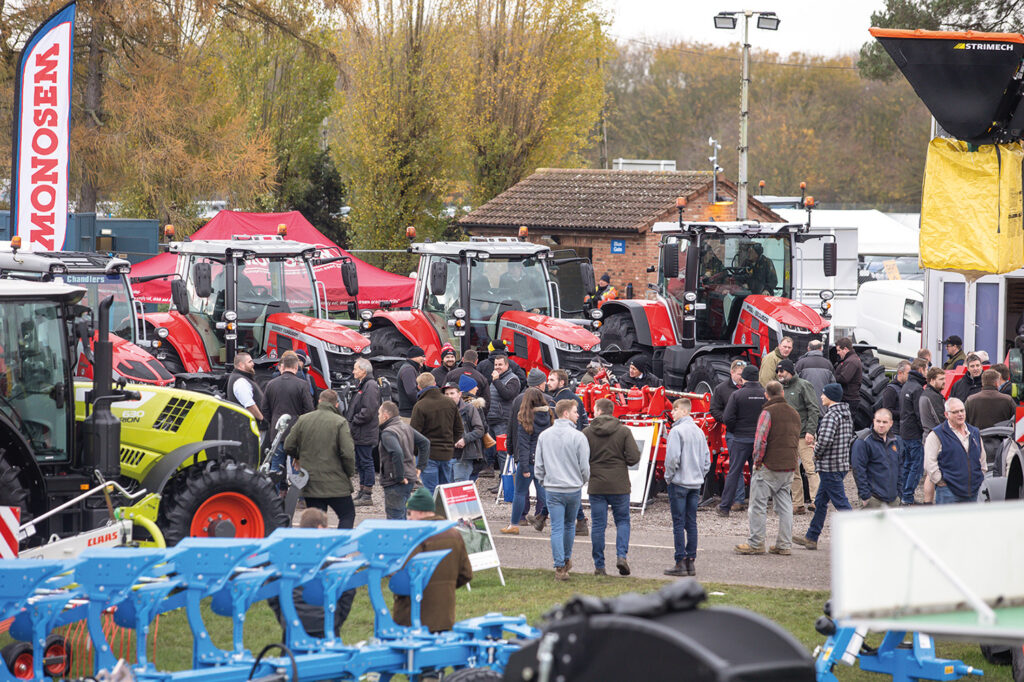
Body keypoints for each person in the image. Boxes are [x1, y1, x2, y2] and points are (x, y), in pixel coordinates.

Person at [392, 487, 473, 632]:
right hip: (444, 618)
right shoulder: (454, 534)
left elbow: (403, 580)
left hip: (411, 620)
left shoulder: (415, 537)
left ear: (420, 511)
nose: (408, 518)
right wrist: (443, 589)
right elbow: (466, 574)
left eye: (410, 513)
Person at [267, 507, 355, 638]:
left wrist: (284, 617)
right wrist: (337, 619)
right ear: (320, 528)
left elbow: (271, 589)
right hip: (326, 624)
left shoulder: (285, 559)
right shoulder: (331, 560)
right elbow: (348, 588)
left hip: (292, 623)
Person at [735, 381, 799, 556]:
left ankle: (756, 543)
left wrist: (757, 461)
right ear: (783, 393)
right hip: (789, 465)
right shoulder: (794, 413)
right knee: (785, 506)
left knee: (758, 506)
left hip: (769, 465)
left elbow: (760, 440)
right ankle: (784, 544)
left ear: (766, 395)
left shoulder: (768, 412)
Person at [793, 383, 854, 551]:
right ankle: (811, 538)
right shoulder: (846, 414)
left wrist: (816, 449)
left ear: (830, 397)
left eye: (824, 394)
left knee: (842, 504)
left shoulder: (830, 416)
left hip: (829, 466)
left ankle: (859, 535)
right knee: (820, 502)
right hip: (840, 464)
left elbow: (825, 440)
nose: (821, 396)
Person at [584, 397, 641, 576]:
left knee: (599, 525)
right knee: (623, 521)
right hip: (619, 483)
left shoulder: (587, 432)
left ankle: (599, 565)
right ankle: (621, 555)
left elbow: (582, 457)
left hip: (597, 483)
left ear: (599, 411)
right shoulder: (623, 431)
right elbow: (634, 457)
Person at [535, 399, 590, 581]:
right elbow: (584, 466)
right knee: (568, 526)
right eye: (575, 412)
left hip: (553, 487)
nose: (577, 415)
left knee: (557, 528)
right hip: (572, 488)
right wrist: (581, 481)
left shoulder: (544, 435)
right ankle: (565, 560)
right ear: (566, 413)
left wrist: (544, 481)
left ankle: (560, 565)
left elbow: (539, 464)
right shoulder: (578, 437)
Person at [285, 389, 357, 529]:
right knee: (347, 515)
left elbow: (288, 445)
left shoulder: (303, 419)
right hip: (336, 482)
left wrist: (298, 456)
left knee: (316, 519)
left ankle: (316, 549)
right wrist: (348, 473)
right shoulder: (340, 422)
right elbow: (348, 453)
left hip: (311, 481)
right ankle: (339, 549)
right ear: (336, 405)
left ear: (319, 401)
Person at [663, 398, 711, 577]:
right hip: (695, 483)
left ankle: (679, 561)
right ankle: (691, 561)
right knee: (691, 522)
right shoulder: (699, 431)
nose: (672, 413)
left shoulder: (676, 431)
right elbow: (707, 460)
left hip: (679, 482)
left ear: (683, 411)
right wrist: (700, 475)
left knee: (678, 523)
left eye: (674, 410)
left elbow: (673, 459)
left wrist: (669, 477)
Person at [502, 388, 552, 535]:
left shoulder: (525, 419)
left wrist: (523, 467)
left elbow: (524, 446)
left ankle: (514, 524)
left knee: (520, 493)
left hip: (529, 461)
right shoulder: (548, 416)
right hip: (543, 461)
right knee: (544, 494)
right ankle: (556, 521)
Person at [718, 364, 765, 517]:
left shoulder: (737, 395)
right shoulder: (765, 394)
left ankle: (725, 507)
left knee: (734, 472)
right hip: (758, 439)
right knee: (758, 473)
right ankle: (758, 508)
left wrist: (735, 429)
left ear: (743, 377)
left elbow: (727, 418)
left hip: (740, 438)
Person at [263, 351, 315, 483]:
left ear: (282, 366)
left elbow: (265, 411)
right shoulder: (302, 385)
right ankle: (300, 499)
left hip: (276, 432)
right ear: (296, 367)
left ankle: (276, 499)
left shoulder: (271, 384)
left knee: (275, 468)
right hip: (296, 433)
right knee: (298, 467)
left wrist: (273, 422)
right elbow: (309, 411)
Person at [776, 359, 820, 515]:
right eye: (778, 372)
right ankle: (798, 503)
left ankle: (817, 501)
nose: (780, 374)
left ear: (790, 371)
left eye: (782, 371)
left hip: (803, 435)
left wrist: (810, 431)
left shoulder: (803, 385)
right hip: (786, 437)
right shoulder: (779, 388)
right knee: (792, 471)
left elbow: (814, 409)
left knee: (810, 468)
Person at [923, 398, 985, 504]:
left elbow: (982, 458)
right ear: (947, 415)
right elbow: (929, 463)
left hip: (974, 491)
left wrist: (980, 476)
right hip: (948, 492)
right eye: (955, 412)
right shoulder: (937, 434)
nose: (960, 414)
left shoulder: (974, 432)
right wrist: (940, 481)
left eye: (962, 410)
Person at [411, 373, 464, 493]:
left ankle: (433, 512)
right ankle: (445, 512)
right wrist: (450, 444)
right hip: (446, 453)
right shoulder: (450, 403)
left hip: (427, 455)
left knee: (430, 491)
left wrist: (417, 453)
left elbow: (414, 434)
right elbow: (459, 429)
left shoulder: (420, 406)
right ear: (435, 384)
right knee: (445, 491)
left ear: (419, 387)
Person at [378, 401, 429, 519]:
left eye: (379, 414)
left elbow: (397, 452)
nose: (378, 417)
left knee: (395, 519)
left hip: (396, 482)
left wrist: (399, 477)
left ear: (385, 416)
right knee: (403, 515)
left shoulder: (388, 433)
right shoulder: (406, 427)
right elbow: (425, 443)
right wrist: (420, 467)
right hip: (409, 479)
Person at [708, 359, 747, 504]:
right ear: (731, 372)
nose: (741, 377)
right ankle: (738, 500)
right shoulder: (721, 389)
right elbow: (714, 409)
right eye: (739, 374)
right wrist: (726, 419)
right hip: (733, 432)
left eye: (744, 374)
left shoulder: (749, 388)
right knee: (737, 466)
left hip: (749, 432)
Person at [348, 357, 381, 507]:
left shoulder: (371, 386)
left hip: (365, 432)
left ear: (363, 370)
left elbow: (368, 411)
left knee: (366, 462)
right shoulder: (364, 385)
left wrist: (354, 420)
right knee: (361, 462)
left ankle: (367, 494)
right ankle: (362, 491)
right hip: (360, 432)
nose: (353, 371)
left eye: (355, 368)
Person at [851, 408, 901, 507]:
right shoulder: (863, 441)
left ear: (891, 423)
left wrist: (900, 493)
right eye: (878, 421)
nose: (881, 425)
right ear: (873, 421)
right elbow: (858, 470)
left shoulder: (896, 441)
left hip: (893, 499)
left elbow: (900, 468)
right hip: (873, 499)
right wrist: (865, 496)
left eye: (884, 422)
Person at [485, 354, 521, 475]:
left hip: (503, 420)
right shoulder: (497, 378)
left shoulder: (513, 379)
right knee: (495, 452)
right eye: (495, 365)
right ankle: (501, 481)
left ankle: (506, 482)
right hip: (493, 420)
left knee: (503, 453)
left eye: (500, 364)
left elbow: (507, 395)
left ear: (507, 365)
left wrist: (496, 381)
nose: (497, 367)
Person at [898, 359, 929, 506]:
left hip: (905, 431)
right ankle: (908, 497)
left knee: (907, 465)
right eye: (927, 369)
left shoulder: (906, 386)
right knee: (915, 466)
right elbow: (919, 414)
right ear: (922, 369)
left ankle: (904, 494)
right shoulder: (917, 389)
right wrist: (923, 429)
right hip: (914, 434)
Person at [917, 366, 947, 505]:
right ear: (932, 380)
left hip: (928, 435)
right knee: (933, 473)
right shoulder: (932, 396)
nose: (944, 382)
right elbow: (941, 419)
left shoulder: (926, 394)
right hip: (935, 438)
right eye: (941, 379)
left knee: (930, 472)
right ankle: (929, 503)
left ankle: (928, 503)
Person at [450, 376, 486, 482]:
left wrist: (465, 439)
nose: (477, 389)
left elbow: (480, 429)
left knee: (459, 486)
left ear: (460, 393)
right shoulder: (474, 405)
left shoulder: (470, 407)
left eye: (451, 393)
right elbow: (483, 427)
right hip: (462, 453)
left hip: (463, 454)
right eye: (475, 386)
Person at [227, 351, 265, 423]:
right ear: (241, 365)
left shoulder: (241, 378)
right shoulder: (240, 381)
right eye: (250, 362)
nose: (253, 364)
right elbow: (249, 405)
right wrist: (262, 419)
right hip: (251, 427)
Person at [874, 360, 909, 437]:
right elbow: (887, 411)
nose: (910, 376)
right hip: (895, 431)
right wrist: (905, 414)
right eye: (908, 373)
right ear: (900, 373)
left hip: (903, 429)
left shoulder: (906, 388)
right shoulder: (891, 390)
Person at [833, 337, 863, 416]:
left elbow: (844, 378)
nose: (837, 353)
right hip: (848, 398)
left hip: (849, 400)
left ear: (845, 349)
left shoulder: (851, 361)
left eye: (839, 350)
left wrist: (832, 377)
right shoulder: (850, 360)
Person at [397, 346, 426, 419]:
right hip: (409, 415)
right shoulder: (408, 370)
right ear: (414, 357)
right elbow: (411, 392)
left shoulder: (411, 368)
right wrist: (423, 405)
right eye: (422, 356)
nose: (424, 359)